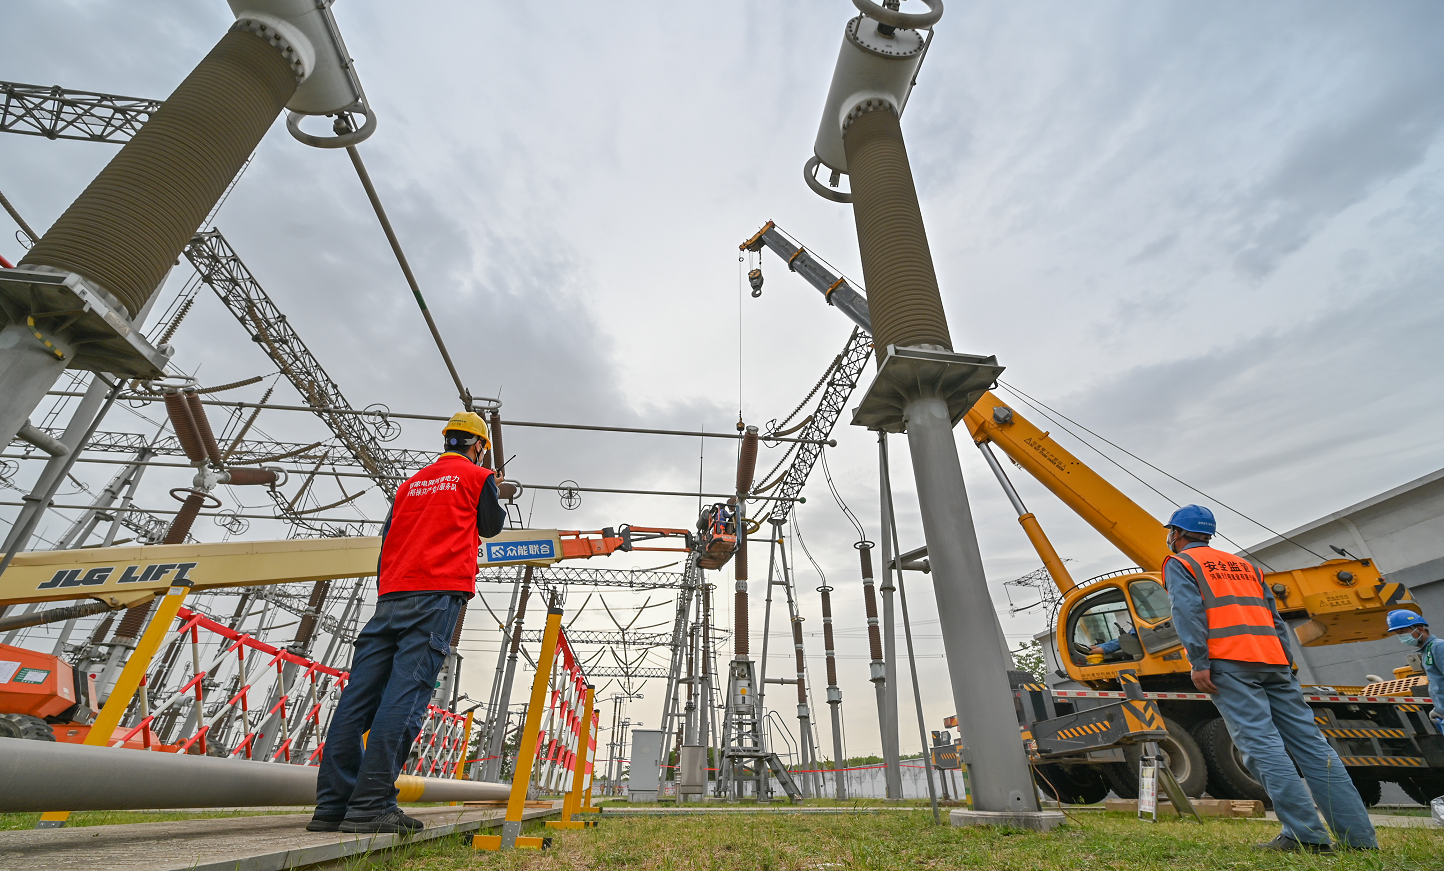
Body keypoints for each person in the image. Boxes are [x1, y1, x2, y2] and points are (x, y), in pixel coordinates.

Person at [311, 411, 506, 834]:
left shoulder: (410, 484)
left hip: (391, 595)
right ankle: (370, 805)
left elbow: (388, 539)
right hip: (435, 596)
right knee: (406, 696)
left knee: (358, 699)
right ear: (478, 446)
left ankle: (332, 806)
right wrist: (493, 485)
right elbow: (491, 527)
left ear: (447, 440)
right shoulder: (478, 477)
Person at [1162, 504, 1376, 853]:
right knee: (1313, 746)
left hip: (1230, 662)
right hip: (1274, 661)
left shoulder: (1181, 563)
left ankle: (1306, 835)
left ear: (1176, 533)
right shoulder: (1246, 566)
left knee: (1261, 746)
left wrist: (1199, 661)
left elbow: (1187, 612)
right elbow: (1274, 618)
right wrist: (1285, 661)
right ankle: (1360, 839)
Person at [1385, 609, 1444, 732]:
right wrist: (1438, 709)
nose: (1401, 637)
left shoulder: (1438, 647)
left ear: (1420, 629)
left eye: (1403, 632)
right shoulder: (1428, 650)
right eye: (1398, 633)